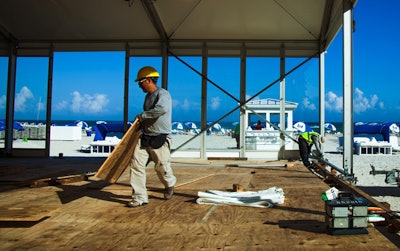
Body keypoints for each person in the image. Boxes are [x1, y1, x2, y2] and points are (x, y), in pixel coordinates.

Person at [127, 66, 177, 208]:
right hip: (146, 136)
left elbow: (161, 109)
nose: (139, 85)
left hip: (160, 137)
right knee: (136, 165)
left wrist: (143, 116)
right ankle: (139, 197)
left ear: (148, 80)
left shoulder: (163, 94)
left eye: (140, 82)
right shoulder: (147, 97)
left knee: (162, 167)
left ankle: (169, 184)